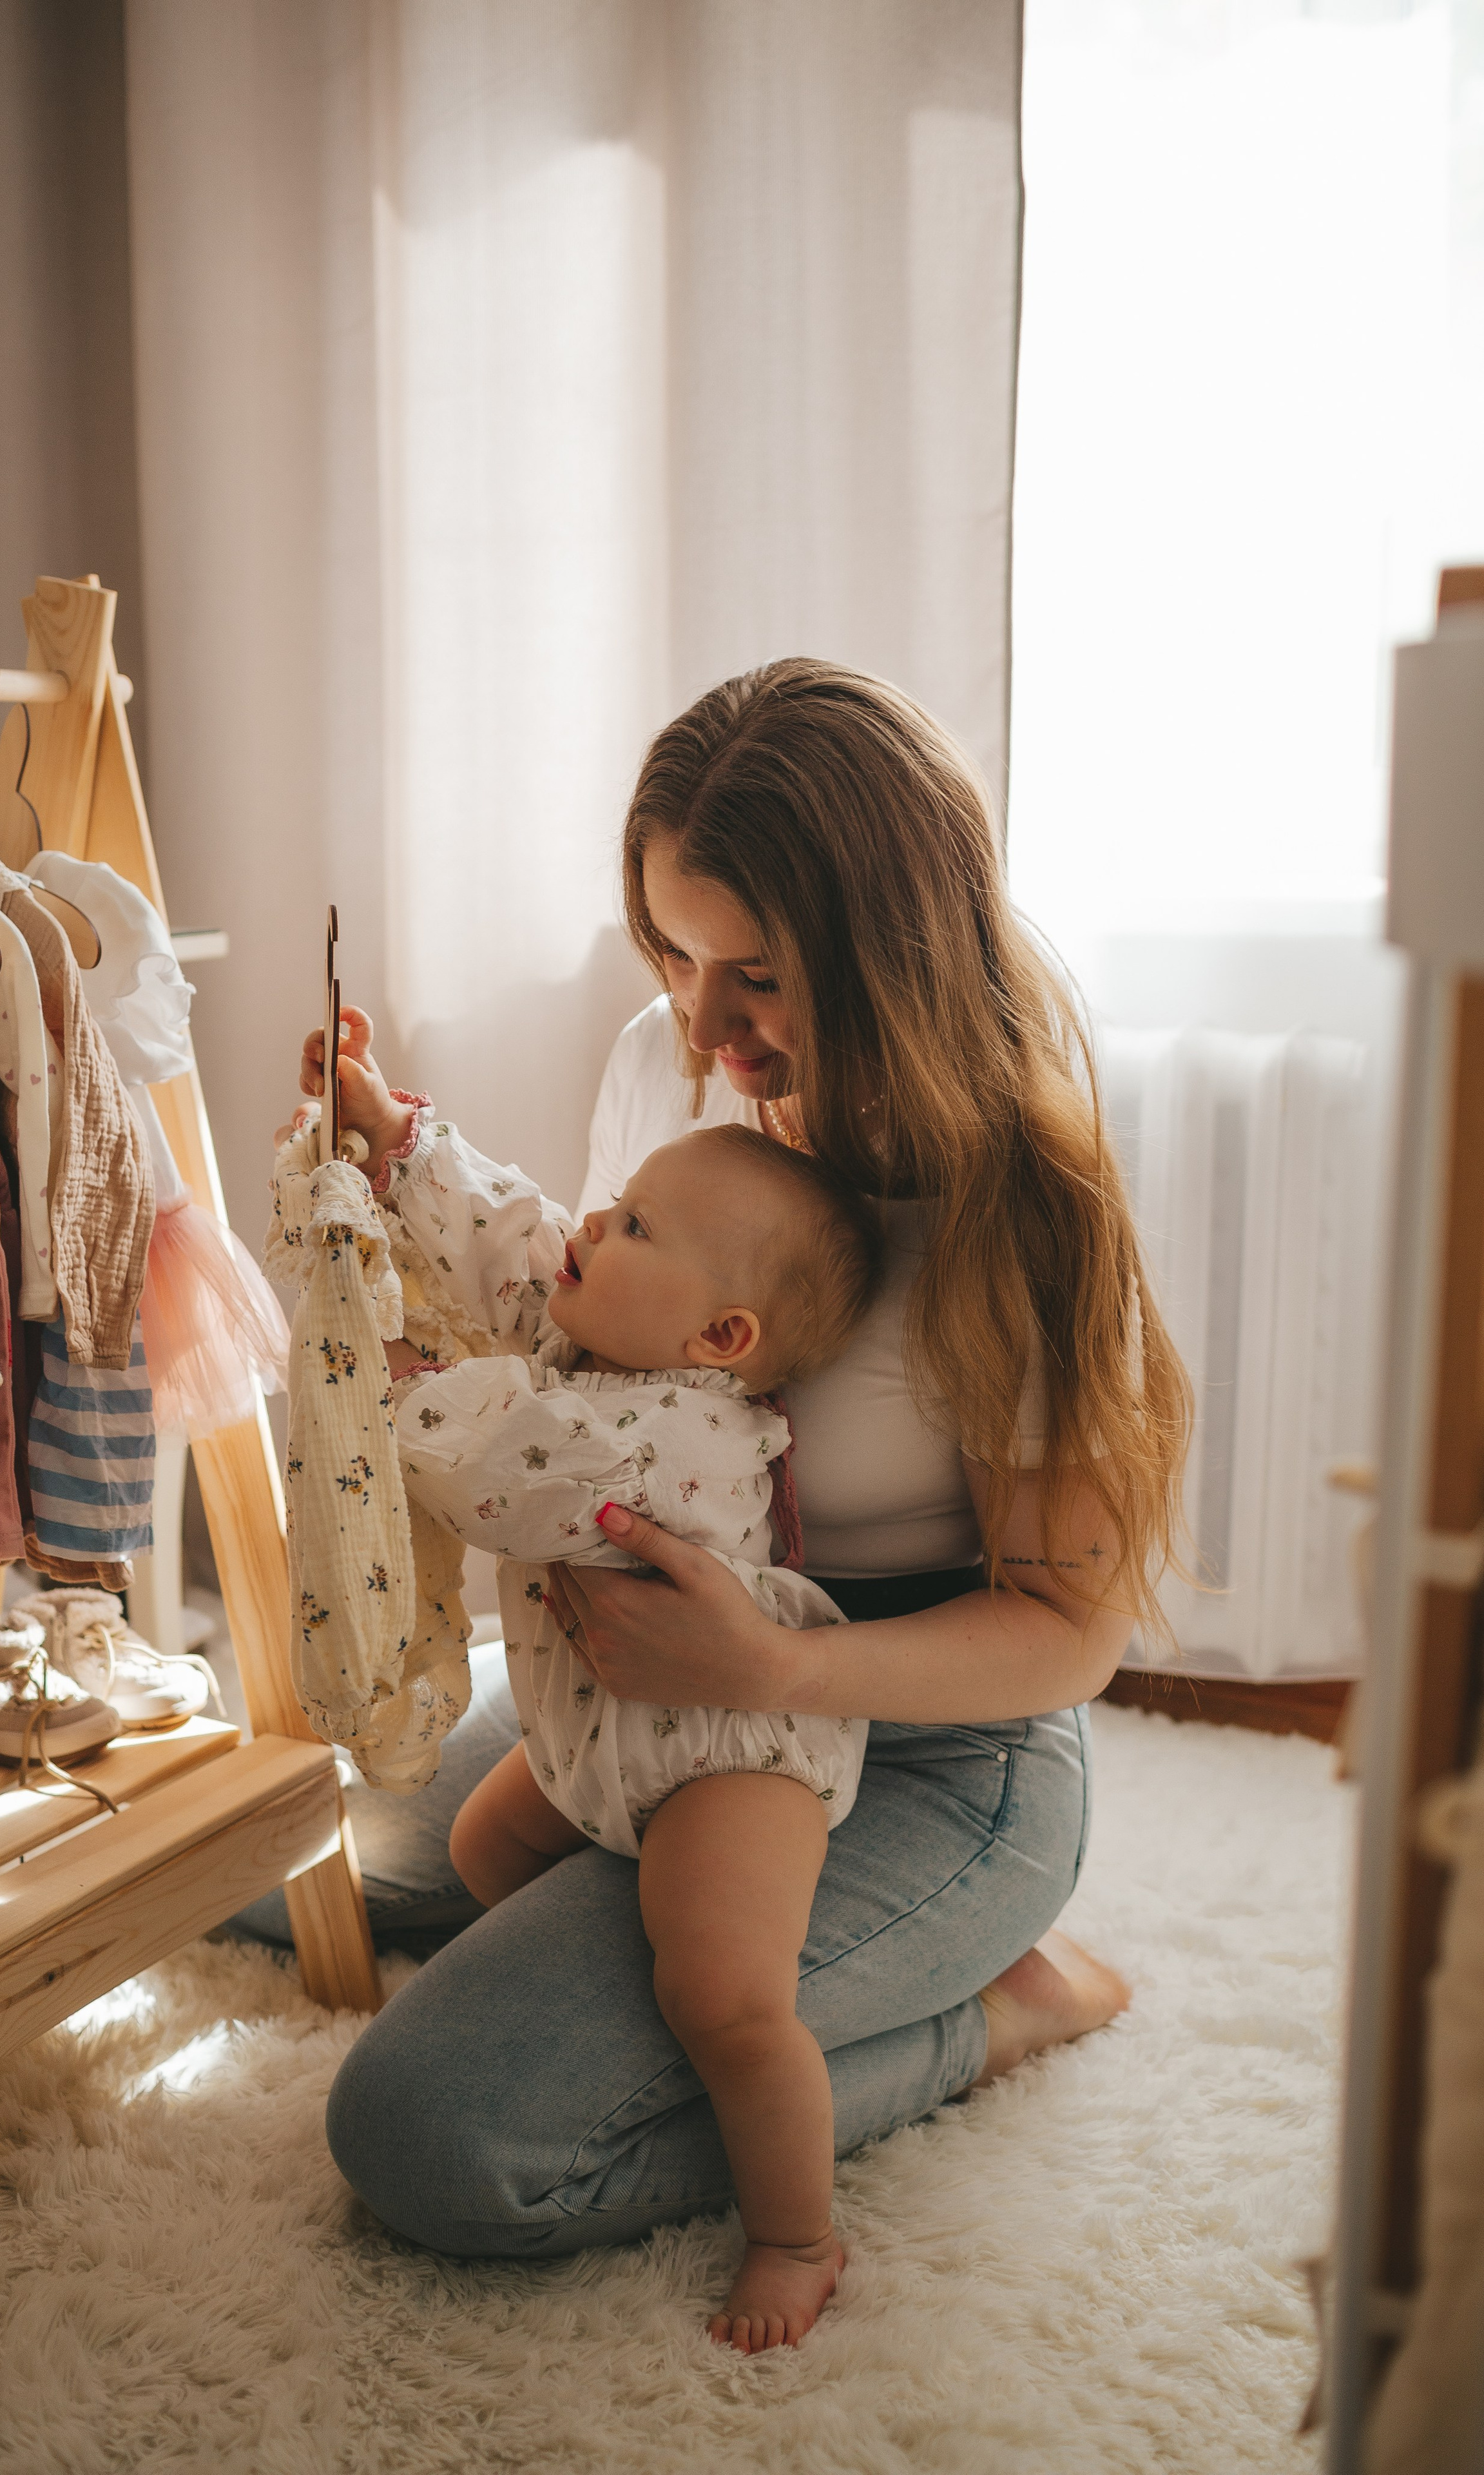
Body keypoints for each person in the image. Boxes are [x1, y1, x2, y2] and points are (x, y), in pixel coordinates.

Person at [319, 658, 1189, 2331]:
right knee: (329, 1859)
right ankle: (784, 1970)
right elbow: (591, 1328)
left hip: (931, 1743)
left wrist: (773, 1669)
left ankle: (982, 2014)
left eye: (761, 979)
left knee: (427, 2132)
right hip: (650, 1687)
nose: (704, 1033)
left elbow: (1070, 1637)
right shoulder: (670, 1057)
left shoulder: (1018, 1198)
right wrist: (395, 1165)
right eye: (674, 953)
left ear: (893, 956)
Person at [332, 1086, 885, 2348]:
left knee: (723, 1997)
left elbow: (509, 1484)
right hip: (596, 1745)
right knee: (477, 1846)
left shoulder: (683, 1436)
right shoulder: (588, 1344)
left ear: (718, 1333)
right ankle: (562, 1976)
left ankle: (797, 2231)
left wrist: (394, 1391)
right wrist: (398, 1136)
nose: (593, 1220)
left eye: (634, 1225)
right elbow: (510, 1238)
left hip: (720, 1765)